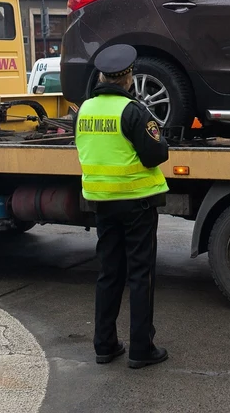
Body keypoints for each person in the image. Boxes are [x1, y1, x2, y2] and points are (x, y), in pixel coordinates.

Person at [75, 44, 170, 369]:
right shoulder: (133, 111)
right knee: (140, 275)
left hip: (102, 203)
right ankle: (141, 349)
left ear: (103, 76)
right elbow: (157, 154)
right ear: (128, 78)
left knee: (109, 273)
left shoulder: (85, 110)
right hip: (136, 203)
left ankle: (105, 345)